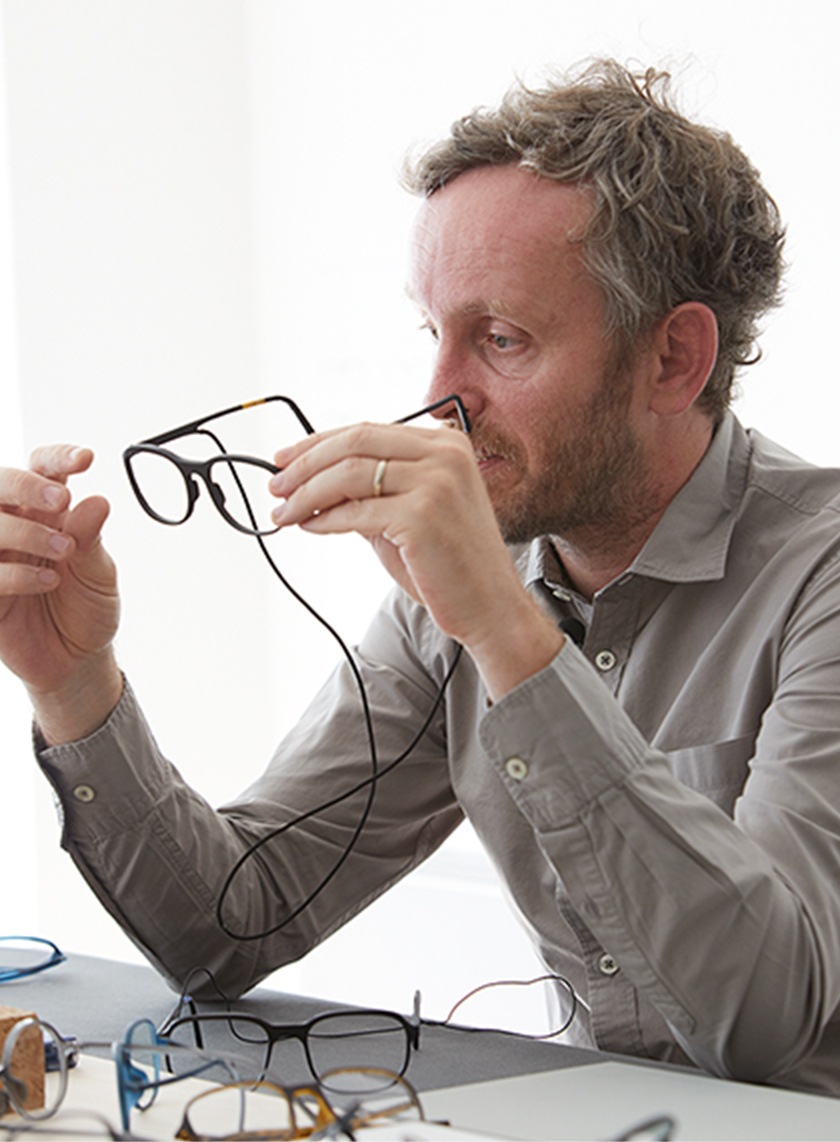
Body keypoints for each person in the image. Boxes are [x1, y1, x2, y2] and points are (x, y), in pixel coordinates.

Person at [2, 59, 840, 1096]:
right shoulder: (461, 598)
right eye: (432, 334)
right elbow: (230, 921)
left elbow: (767, 1026)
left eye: (501, 339)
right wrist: (73, 680)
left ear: (673, 358)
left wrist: (502, 626)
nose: (437, 399)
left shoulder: (821, 577)